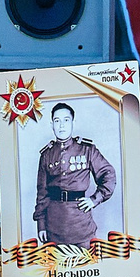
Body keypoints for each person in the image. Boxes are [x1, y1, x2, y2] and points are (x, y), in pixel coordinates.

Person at [29, 101, 118, 249]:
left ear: (73, 123)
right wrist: (41, 225)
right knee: (56, 271)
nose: (61, 125)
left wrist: (94, 199)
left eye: (66, 120)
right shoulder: (46, 155)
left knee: (86, 268)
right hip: (54, 227)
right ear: (52, 125)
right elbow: (42, 193)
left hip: (81, 227)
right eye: (57, 121)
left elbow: (108, 175)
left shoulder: (87, 150)